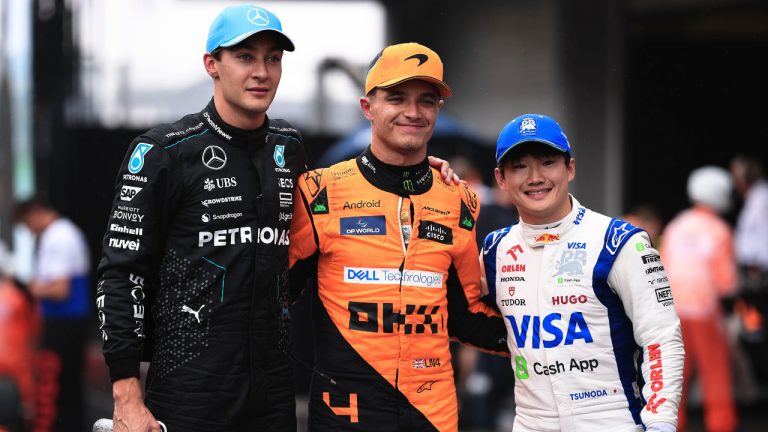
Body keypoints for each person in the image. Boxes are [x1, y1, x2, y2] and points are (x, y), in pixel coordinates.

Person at [95, 6, 458, 432]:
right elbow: (120, 275)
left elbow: (338, 206)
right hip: (189, 387)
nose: (262, 72)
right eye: (245, 57)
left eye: (273, 58)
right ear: (212, 64)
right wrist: (126, 394)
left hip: (272, 392)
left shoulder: (288, 147)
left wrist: (413, 173)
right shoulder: (164, 152)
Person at [289, 42, 508, 431]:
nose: (412, 112)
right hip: (345, 414)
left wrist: (554, 336)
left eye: (426, 100)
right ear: (367, 107)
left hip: (432, 415)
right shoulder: (319, 192)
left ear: (438, 110)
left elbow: (465, 315)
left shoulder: (461, 201)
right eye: (396, 98)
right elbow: (270, 299)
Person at [481, 114, 684, 431]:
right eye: (519, 166)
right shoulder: (495, 250)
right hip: (531, 422)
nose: (535, 177)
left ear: (570, 168)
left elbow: (662, 338)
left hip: (610, 418)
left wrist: (660, 422)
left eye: (548, 162)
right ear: (501, 178)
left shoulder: (619, 242)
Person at [661, 166, 738, 432]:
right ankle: (721, 424)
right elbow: (726, 280)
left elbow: (663, 266)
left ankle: (670, 424)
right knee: (715, 372)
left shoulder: (676, 226)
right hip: (706, 311)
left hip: (673, 311)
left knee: (675, 373)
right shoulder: (719, 230)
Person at [13, 196, 90, 432]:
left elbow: (60, 289)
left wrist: (33, 288)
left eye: (27, 224)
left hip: (64, 325)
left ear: (35, 212)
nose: (30, 230)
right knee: (68, 389)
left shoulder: (59, 235)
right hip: (66, 323)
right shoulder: (59, 234)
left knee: (55, 389)